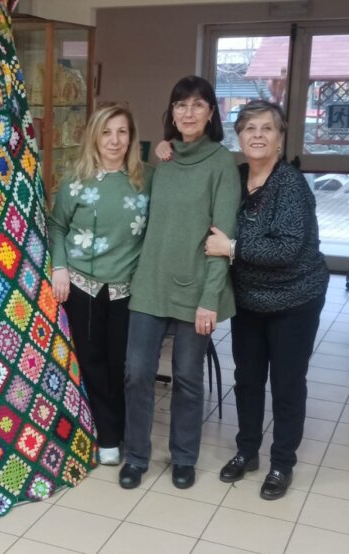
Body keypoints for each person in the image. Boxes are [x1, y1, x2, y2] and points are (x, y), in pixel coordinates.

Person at [119, 76, 240, 491]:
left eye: (198, 105)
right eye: (180, 105)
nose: (188, 113)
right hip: (149, 285)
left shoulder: (222, 163)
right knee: (137, 373)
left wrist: (210, 299)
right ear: (171, 112)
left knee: (188, 377)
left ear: (211, 113)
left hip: (195, 290)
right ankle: (136, 455)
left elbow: (221, 239)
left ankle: (184, 457)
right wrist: (158, 145)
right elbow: (124, 163)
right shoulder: (162, 160)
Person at [205, 100, 329, 500]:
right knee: (247, 379)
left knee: (287, 383)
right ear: (238, 136)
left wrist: (232, 248)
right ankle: (246, 452)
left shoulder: (290, 184)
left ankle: (282, 462)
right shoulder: (235, 176)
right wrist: (165, 149)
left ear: (279, 138)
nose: (257, 135)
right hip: (249, 301)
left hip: (295, 299)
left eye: (267, 128)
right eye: (249, 128)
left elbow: (287, 250)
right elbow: (196, 178)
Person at [48, 104, 151, 467]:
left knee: (122, 363)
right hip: (81, 284)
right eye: (107, 132)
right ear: (94, 135)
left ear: (131, 138)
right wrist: (59, 267)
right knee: (91, 360)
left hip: (127, 288)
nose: (114, 140)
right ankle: (107, 435)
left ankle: (120, 429)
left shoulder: (146, 179)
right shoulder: (76, 179)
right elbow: (56, 226)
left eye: (122, 132)